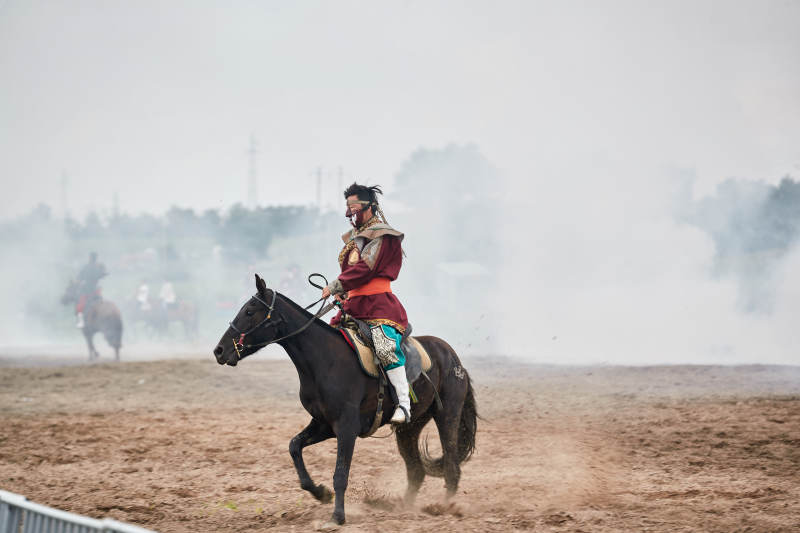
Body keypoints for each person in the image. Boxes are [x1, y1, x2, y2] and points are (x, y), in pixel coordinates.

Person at [321, 183, 411, 424]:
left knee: (384, 347)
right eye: (348, 207)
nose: (350, 212)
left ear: (369, 207)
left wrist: (336, 285)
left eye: (354, 207)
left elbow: (365, 268)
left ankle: (404, 404)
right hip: (353, 305)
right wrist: (343, 293)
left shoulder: (382, 234)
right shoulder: (354, 238)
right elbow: (352, 274)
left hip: (378, 305)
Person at [75, 252, 107, 328]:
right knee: (101, 302)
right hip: (96, 289)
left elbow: (79, 277)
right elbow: (103, 274)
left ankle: (81, 322)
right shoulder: (98, 267)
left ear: (90, 258)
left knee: (80, 305)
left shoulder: (86, 267)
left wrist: (79, 282)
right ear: (96, 258)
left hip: (87, 290)